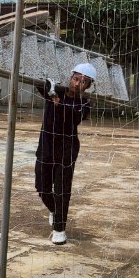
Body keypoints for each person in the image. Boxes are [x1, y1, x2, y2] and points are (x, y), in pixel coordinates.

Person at [35, 63, 96, 245]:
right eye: (76, 78)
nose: (77, 84)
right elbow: (38, 83)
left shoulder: (83, 104)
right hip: (46, 147)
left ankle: (59, 229)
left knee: (62, 190)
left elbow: (73, 115)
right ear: (71, 78)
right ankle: (55, 210)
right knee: (42, 187)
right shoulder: (57, 90)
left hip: (67, 151)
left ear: (88, 86)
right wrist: (49, 85)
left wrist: (56, 99)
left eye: (83, 82)